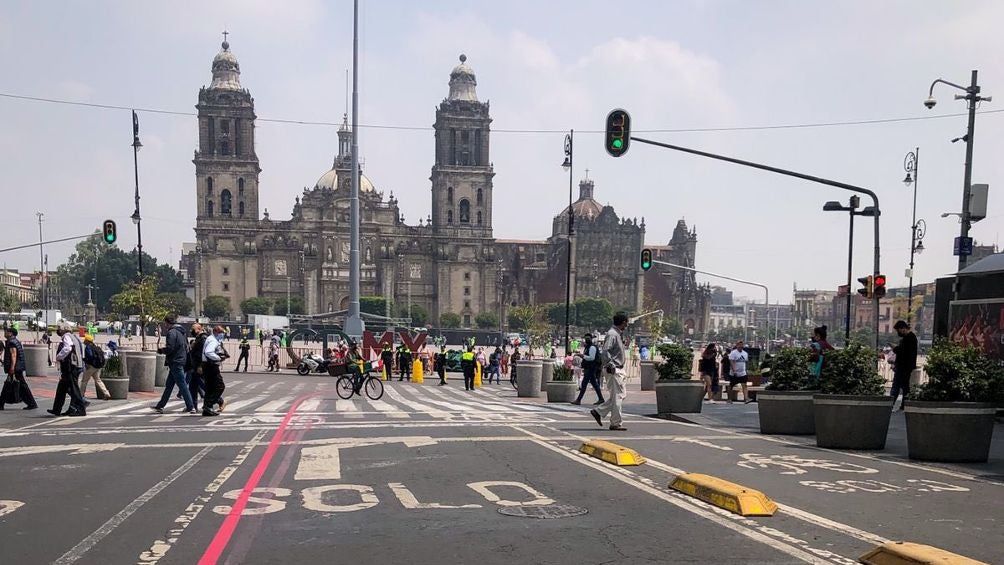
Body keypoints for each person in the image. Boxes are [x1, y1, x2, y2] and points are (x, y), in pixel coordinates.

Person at [590, 313, 629, 431]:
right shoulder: (612, 334)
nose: (627, 325)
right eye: (626, 323)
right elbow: (605, 350)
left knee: (619, 395)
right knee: (618, 396)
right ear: (623, 322)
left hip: (617, 368)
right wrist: (610, 364)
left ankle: (599, 411)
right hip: (614, 369)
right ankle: (616, 423)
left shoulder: (616, 334)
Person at [153, 314, 197, 414]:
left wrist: (161, 350)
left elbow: (170, 348)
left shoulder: (171, 332)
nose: (164, 326)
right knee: (169, 385)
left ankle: (191, 406)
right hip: (181, 360)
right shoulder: (181, 332)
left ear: (167, 323)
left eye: (165, 323)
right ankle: (160, 406)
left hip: (175, 362)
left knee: (182, 385)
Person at [50, 324, 87, 417]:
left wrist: (59, 356)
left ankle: (81, 408)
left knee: (74, 389)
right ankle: (56, 409)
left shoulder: (66, 336)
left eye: (59, 329)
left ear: (63, 330)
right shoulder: (74, 337)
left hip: (70, 367)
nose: (58, 331)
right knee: (62, 388)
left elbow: (68, 348)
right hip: (76, 365)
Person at [1, 327, 37, 410]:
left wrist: (12, 367)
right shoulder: (15, 341)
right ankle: (32, 403)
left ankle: (32, 403)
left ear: (10, 333)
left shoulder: (12, 342)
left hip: (15, 368)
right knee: (20, 385)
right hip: (18, 367)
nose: (5, 333)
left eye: (6, 332)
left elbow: (14, 355)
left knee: (11, 385)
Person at [201, 325, 229, 416]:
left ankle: (207, 409)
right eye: (221, 333)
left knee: (210, 387)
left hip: (206, 365)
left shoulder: (210, 339)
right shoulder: (213, 340)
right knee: (220, 386)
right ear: (217, 333)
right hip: (211, 365)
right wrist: (218, 358)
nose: (222, 336)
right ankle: (209, 405)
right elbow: (208, 352)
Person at [890, 320, 918, 411]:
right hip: (906, 366)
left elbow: (903, 352)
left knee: (897, 385)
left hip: (904, 366)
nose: (898, 332)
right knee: (904, 386)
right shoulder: (910, 338)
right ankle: (903, 405)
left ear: (903, 329)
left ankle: (891, 404)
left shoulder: (908, 339)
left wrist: (895, 348)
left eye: (898, 330)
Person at [573, 333, 604, 406]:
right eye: (586, 338)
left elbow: (591, 358)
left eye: (588, 338)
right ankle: (601, 398)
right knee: (594, 384)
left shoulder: (592, 347)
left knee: (584, 383)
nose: (586, 340)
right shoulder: (588, 347)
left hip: (591, 368)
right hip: (589, 367)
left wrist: (582, 356)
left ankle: (578, 400)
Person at [80, 334, 111, 400]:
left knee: (84, 381)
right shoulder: (95, 347)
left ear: (87, 341)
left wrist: (85, 360)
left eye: (85, 339)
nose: (84, 340)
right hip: (97, 367)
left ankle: (81, 394)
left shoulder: (88, 347)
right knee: (98, 380)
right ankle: (106, 393)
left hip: (91, 367)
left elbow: (90, 356)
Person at [727, 339, 751, 404]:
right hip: (734, 373)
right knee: (731, 385)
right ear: (737, 345)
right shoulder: (733, 353)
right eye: (739, 345)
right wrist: (734, 370)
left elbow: (746, 363)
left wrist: (746, 370)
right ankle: (729, 399)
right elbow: (731, 362)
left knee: (744, 385)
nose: (740, 346)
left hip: (743, 373)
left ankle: (746, 398)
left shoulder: (745, 353)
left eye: (741, 345)